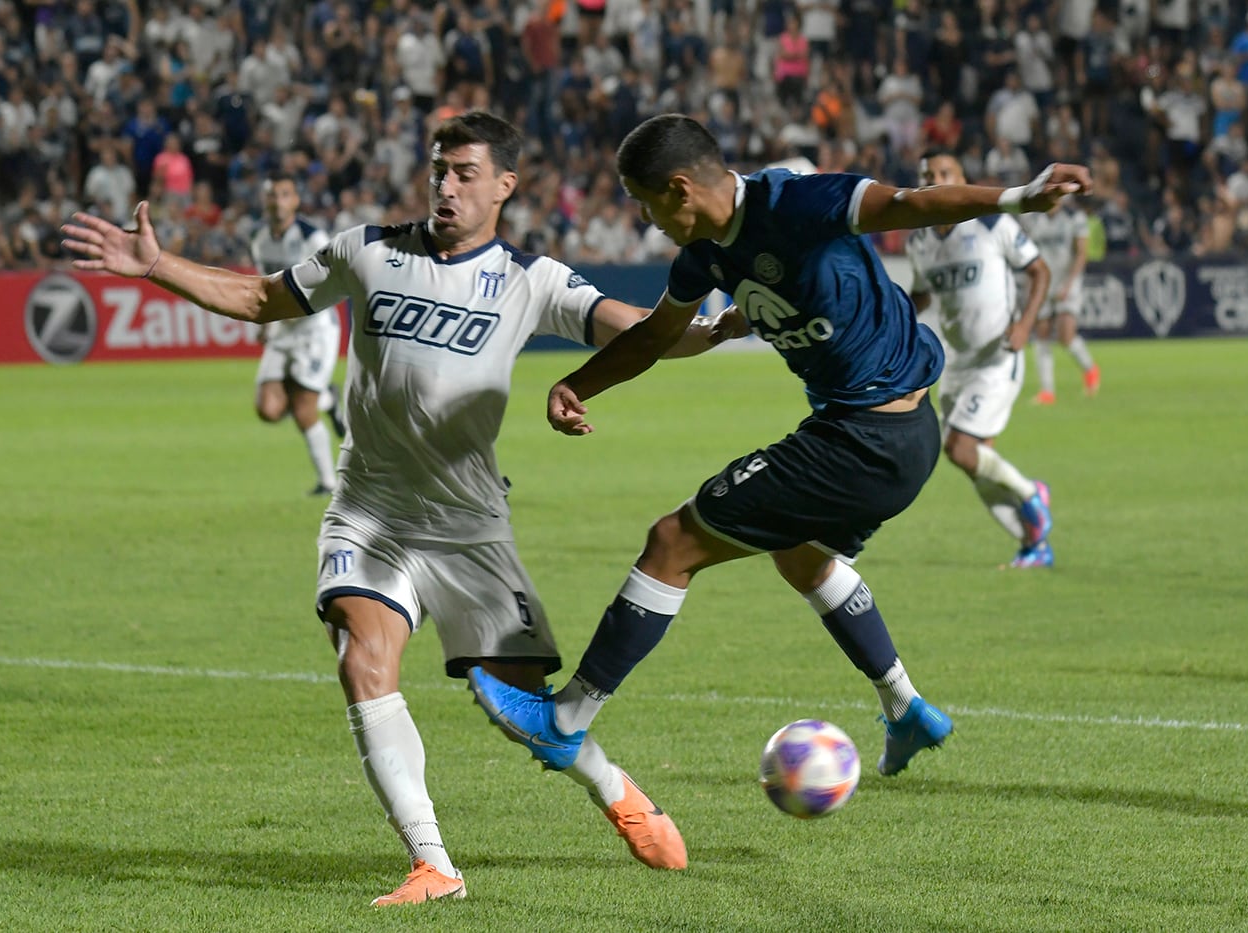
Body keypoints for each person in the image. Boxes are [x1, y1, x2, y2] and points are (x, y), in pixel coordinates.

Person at [63, 112, 743, 907]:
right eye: (438, 170)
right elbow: (259, 297)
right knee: (361, 654)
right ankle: (433, 864)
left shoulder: (533, 279)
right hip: (369, 510)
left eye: (464, 172)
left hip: (470, 526)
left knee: (519, 708)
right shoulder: (369, 249)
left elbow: (636, 330)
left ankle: (615, 786)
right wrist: (157, 265)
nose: (446, 185)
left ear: (504, 186)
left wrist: (712, 330)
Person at [469, 115, 1089, 796]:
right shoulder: (705, 254)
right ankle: (905, 707)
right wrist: (577, 384)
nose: (647, 221)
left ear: (680, 189)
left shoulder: (795, 202)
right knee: (803, 557)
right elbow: (654, 337)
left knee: (673, 541)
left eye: (646, 204)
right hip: (898, 436)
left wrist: (1017, 197)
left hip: (865, 438)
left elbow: (908, 204)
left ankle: (565, 717)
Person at [906, 150, 1055, 569]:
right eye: (928, 175)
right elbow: (922, 295)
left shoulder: (992, 223)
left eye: (945, 172)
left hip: (997, 356)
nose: (936, 179)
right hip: (957, 363)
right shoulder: (919, 239)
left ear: (962, 176)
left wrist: (1025, 324)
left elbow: (1039, 270)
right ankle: (1033, 545)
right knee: (976, 465)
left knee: (960, 449)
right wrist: (890, 315)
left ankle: (1030, 494)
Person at [249, 174, 347, 495]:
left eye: (284, 194)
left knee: (304, 409)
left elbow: (333, 279)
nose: (277, 200)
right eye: (272, 194)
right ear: (265, 201)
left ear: (294, 201)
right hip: (283, 329)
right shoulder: (259, 238)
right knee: (268, 409)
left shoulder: (311, 237)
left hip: (315, 329)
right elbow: (265, 283)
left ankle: (328, 483)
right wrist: (265, 324)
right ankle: (329, 399)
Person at [1018, 197, 1100, 404]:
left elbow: (1082, 253)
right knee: (1042, 333)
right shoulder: (1032, 219)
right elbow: (1028, 254)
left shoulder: (1075, 217)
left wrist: (1069, 284)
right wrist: (1032, 284)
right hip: (1044, 282)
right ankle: (1047, 391)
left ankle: (1090, 369)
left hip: (1067, 282)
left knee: (1065, 335)